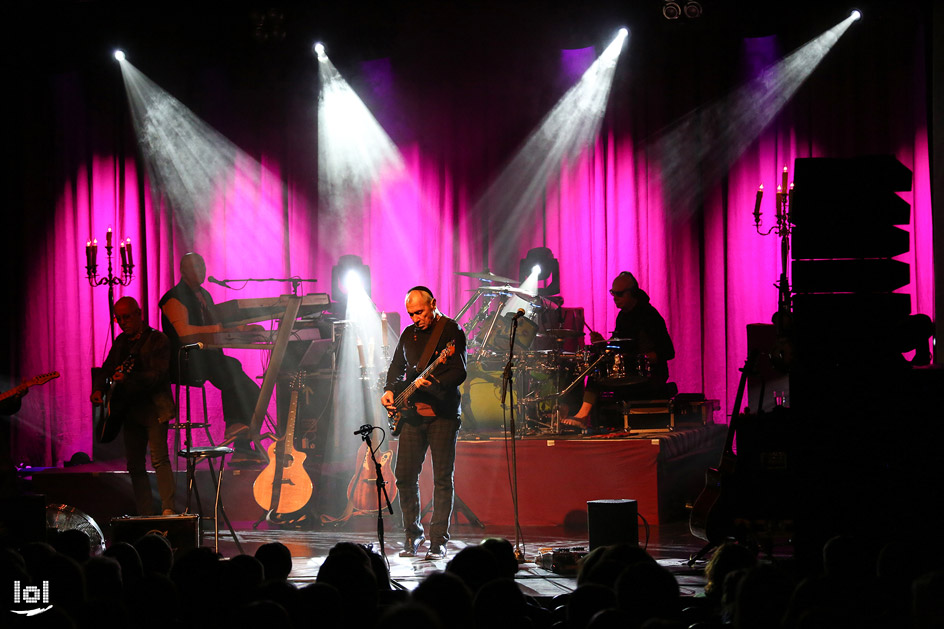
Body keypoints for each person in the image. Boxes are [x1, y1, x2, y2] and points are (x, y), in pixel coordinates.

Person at [381, 287, 467, 560]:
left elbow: (459, 371)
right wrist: (389, 390)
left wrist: (436, 383)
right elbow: (396, 366)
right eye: (411, 313)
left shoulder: (451, 331)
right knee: (404, 477)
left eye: (419, 312)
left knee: (443, 479)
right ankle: (413, 534)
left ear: (433, 304)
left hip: (442, 415)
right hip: (411, 416)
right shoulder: (409, 334)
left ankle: (438, 540)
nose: (415, 318)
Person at [159, 253, 262, 461]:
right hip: (187, 361)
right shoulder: (172, 298)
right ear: (183, 271)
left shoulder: (205, 295)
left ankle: (240, 441)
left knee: (251, 388)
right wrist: (217, 329)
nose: (202, 270)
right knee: (232, 369)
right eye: (195, 266)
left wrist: (244, 328)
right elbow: (184, 333)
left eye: (203, 265)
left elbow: (217, 323)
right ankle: (235, 429)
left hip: (207, 358)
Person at [91, 296, 176, 515]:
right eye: (119, 318)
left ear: (139, 314)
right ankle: (145, 512)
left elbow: (158, 375)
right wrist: (99, 389)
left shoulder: (159, 340)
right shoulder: (120, 343)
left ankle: (168, 509)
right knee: (135, 465)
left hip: (155, 408)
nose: (123, 322)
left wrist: (128, 378)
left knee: (159, 459)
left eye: (127, 317)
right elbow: (107, 367)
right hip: (131, 411)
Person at [568, 271, 675, 426]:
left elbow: (668, 351)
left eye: (619, 294)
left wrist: (644, 358)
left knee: (598, 373)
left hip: (649, 375)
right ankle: (579, 414)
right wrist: (603, 343)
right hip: (628, 372)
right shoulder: (623, 316)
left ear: (632, 293)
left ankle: (583, 415)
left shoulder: (650, 316)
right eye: (613, 293)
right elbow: (620, 345)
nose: (615, 298)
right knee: (596, 367)